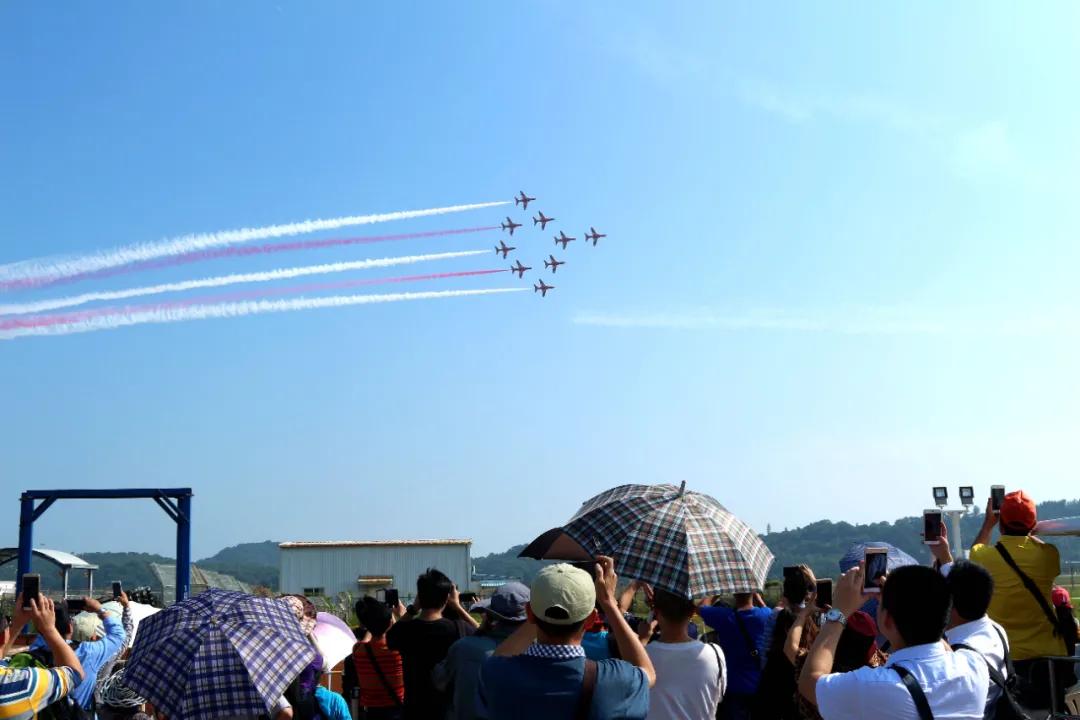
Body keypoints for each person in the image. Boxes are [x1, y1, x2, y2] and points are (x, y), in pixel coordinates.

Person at [798, 563, 988, 719]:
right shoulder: (975, 665)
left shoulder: (878, 687)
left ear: (887, 621)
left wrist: (838, 613)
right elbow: (939, 642)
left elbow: (809, 681)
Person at [476, 557, 654, 719]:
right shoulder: (613, 680)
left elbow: (498, 657)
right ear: (591, 619)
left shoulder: (497, 674)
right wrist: (608, 602)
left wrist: (541, 610)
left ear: (529, 613)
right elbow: (647, 673)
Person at [970, 490, 1072, 710]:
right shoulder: (1049, 555)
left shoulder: (984, 557)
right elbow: (1040, 546)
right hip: (1048, 656)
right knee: (1053, 711)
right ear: (1032, 523)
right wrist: (1029, 529)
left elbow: (974, 552)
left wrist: (988, 524)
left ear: (1001, 523)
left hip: (1006, 658)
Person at [385, 569, 478, 720]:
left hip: (413, 711)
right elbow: (481, 634)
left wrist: (412, 609)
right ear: (447, 599)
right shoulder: (458, 629)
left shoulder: (406, 630)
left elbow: (391, 636)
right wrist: (458, 607)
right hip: (448, 711)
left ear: (419, 597)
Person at [433, 582, 530, 720]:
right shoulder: (537, 655)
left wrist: (480, 631)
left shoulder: (463, 648)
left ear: (490, 615)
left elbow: (439, 681)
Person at [26, 595, 127, 711]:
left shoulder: (34, 651)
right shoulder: (88, 652)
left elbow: (43, 633)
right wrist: (99, 609)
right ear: (70, 627)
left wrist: (43, 622)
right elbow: (118, 635)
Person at [639, 587, 725, 720]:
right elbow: (718, 697)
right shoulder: (716, 654)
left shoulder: (642, 656)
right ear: (692, 612)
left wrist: (641, 642)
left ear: (656, 611)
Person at [0, 594, 85, 720]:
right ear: (70, 627)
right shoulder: (24, 685)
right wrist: (49, 629)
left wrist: (16, 625)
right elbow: (75, 673)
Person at [698, 591, 772, 719]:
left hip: (734, 687)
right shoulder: (765, 615)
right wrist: (757, 596)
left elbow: (700, 608)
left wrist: (716, 591)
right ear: (752, 593)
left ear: (734, 594)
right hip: (761, 685)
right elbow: (766, 609)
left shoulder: (724, 617)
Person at [756, 566, 817, 720]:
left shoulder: (777, 615)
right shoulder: (815, 617)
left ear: (785, 592)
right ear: (806, 592)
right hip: (803, 685)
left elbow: (765, 650)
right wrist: (813, 582)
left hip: (776, 682)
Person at [344, 596, 404, 720]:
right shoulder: (399, 650)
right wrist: (400, 616)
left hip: (372, 713)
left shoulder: (358, 650)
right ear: (390, 623)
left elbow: (367, 640)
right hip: (398, 710)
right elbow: (402, 633)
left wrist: (372, 622)